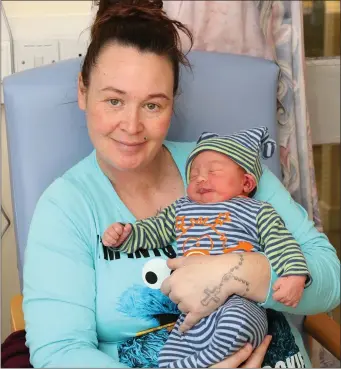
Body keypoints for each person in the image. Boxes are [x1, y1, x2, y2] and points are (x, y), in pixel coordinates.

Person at [22, 0, 340, 368]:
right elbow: (60, 351)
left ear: (173, 103)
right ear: (83, 91)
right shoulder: (67, 207)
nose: (131, 126)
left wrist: (242, 272)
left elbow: (329, 278)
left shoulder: (226, 169)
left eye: (153, 105)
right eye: (114, 100)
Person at [102, 127, 311, 368]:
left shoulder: (257, 211)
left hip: (241, 303)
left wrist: (295, 275)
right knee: (171, 351)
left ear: (246, 182)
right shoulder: (182, 208)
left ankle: (204, 361)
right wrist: (126, 236)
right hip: (194, 311)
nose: (201, 178)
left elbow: (282, 243)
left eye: (213, 172)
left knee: (235, 324)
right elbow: (154, 230)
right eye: (194, 175)